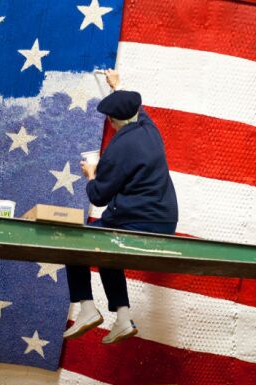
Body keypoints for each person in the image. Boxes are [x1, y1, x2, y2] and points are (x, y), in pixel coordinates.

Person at [64, 69, 178, 344]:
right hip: (165, 222)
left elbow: (99, 197)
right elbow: (139, 109)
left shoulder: (118, 148)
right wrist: (117, 87)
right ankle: (123, 319)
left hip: (138, 223)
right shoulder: (150, 129)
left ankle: (88, 308)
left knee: (73, 240)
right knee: (105, 241)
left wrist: (91, 173)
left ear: (113, 121)